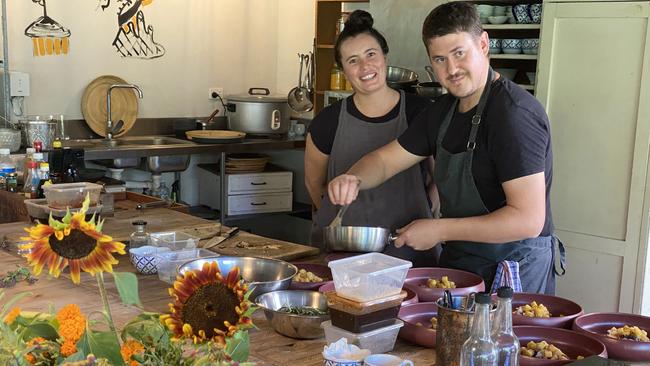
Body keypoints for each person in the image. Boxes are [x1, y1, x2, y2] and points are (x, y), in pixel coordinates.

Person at [326, 2, 565, 294]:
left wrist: (438, 229)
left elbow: (528, 219)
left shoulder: (513, 115)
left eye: (459, 53)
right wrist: (355, 177)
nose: (451, 69)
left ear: (483, 44)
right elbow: (385, 161)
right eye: (439, 59)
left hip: (514, 270)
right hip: (462, 265)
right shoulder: (442, 111)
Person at [305, 10, 439, 266]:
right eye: (353, 60)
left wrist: (427, 213)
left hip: (407, 250)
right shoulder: (327, 122)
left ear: (384, 57)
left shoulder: (421, 112)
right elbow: (314, 186)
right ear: (343, 70)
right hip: (343, 251)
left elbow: (438, 179)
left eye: (371, 54)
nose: (365, 66)